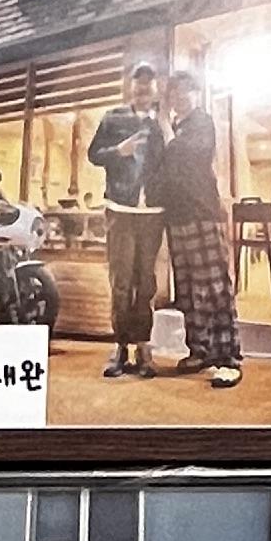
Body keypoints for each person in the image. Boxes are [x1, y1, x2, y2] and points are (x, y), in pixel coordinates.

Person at [159, 71, 245, 386]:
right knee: (187, 288)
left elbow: (187, 155)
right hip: (177, 217)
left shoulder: (202, 123)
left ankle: (228, 357)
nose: (179, 97)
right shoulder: (175, 128)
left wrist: (166, 131)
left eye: (185, 91)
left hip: (202, 213)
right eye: (174, 92)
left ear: (195, 94)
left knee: (214, 284)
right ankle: (200, 350)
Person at [86, 61, 171, 378]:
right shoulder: (113, 117)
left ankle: (143, 348)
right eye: (138, 82)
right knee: (121, 282)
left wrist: (166, 126)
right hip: (120, 210)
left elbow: (173, 162)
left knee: (146, 282)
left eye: (148, 83)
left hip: (153, 212)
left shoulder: (162, 122)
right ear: (130, 86)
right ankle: (120, 347)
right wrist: (117, 151)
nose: (143, 87)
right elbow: (93, 155)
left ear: (155, 89)